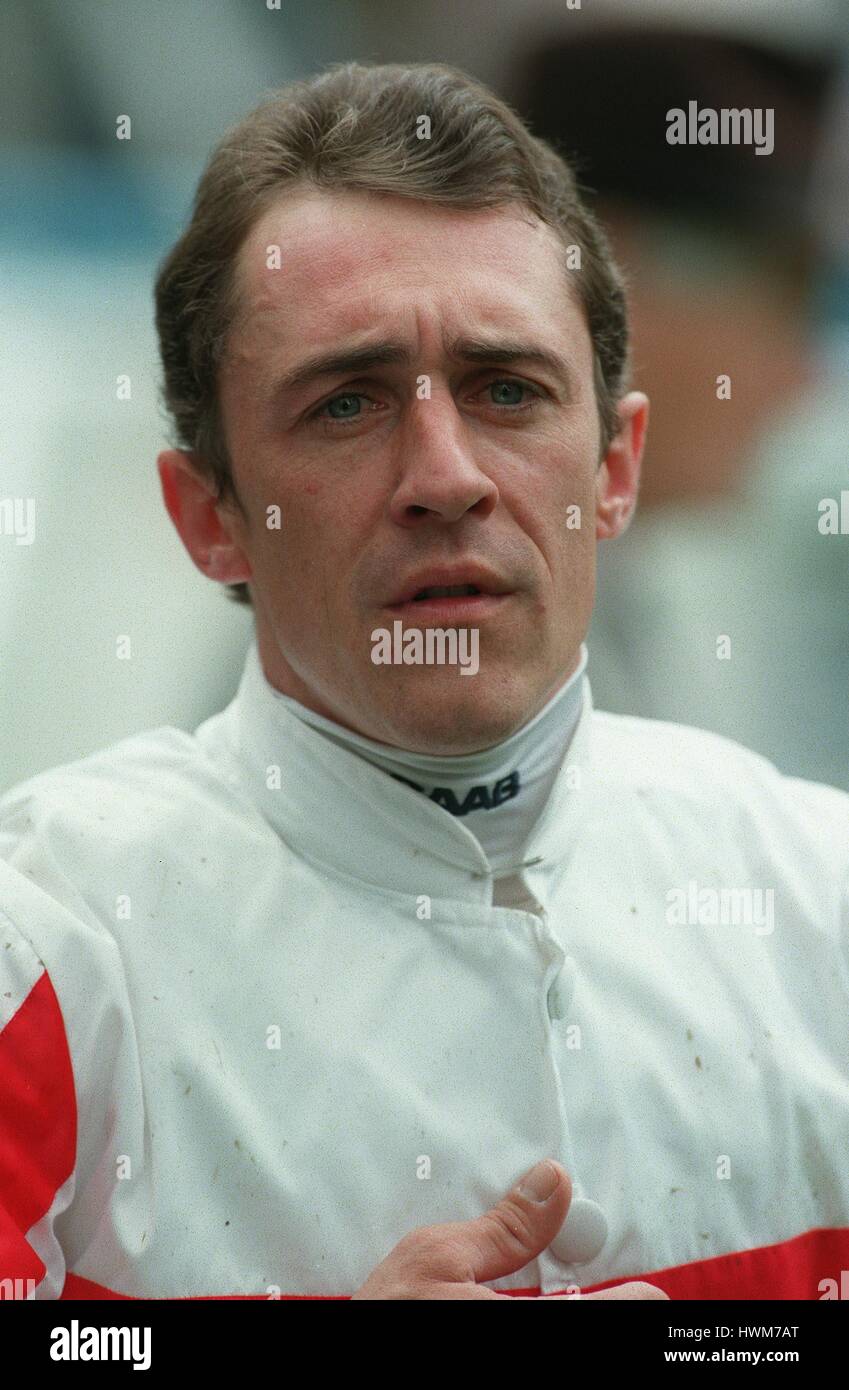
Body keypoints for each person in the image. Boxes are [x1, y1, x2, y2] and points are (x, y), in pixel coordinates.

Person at [1, 62, 847, 1302]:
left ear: (615, 467)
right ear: (209, 517)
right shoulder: (47, 952)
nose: (445, 474)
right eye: (347, 404)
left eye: (508, 389)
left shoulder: (821, 898)